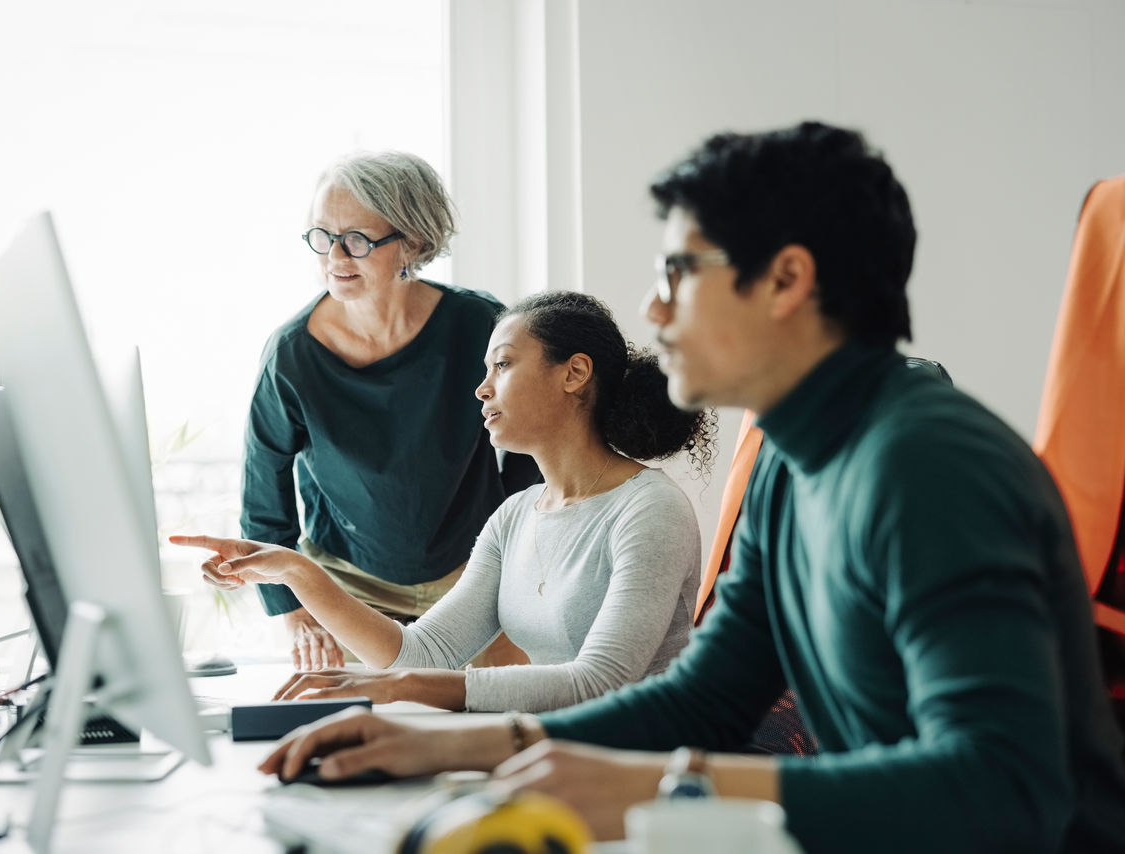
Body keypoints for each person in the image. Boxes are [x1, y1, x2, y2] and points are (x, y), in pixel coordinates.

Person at [255, 123, 1125, 854]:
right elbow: (708, 694)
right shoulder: (791, 459)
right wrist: (452, 741)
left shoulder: (930, 468)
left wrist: (668, 783)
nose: (655, 309)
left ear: (786, 280)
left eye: (679, 272)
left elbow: (1006, 789)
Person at [174, 291, 714, 712]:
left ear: (573, 374)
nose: (482, 389)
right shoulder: (514, 517)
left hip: (637, 766)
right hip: (547, 751)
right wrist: (296, 572)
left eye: (502, 366)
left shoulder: (649, 509)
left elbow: (599, 683)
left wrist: (406, 688)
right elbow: (420, 653)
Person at [232, 151, 537, 670]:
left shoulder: (479, 324)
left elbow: (531, 449)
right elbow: (265, 494)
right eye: (322, 236)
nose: (334, 256)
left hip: (475, 581)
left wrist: (511, 562)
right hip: (347, 590)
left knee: (494, 731)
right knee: (363, 738)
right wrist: (293, 611)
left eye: (356, 239)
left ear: (412, 243)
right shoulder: (292, 354)